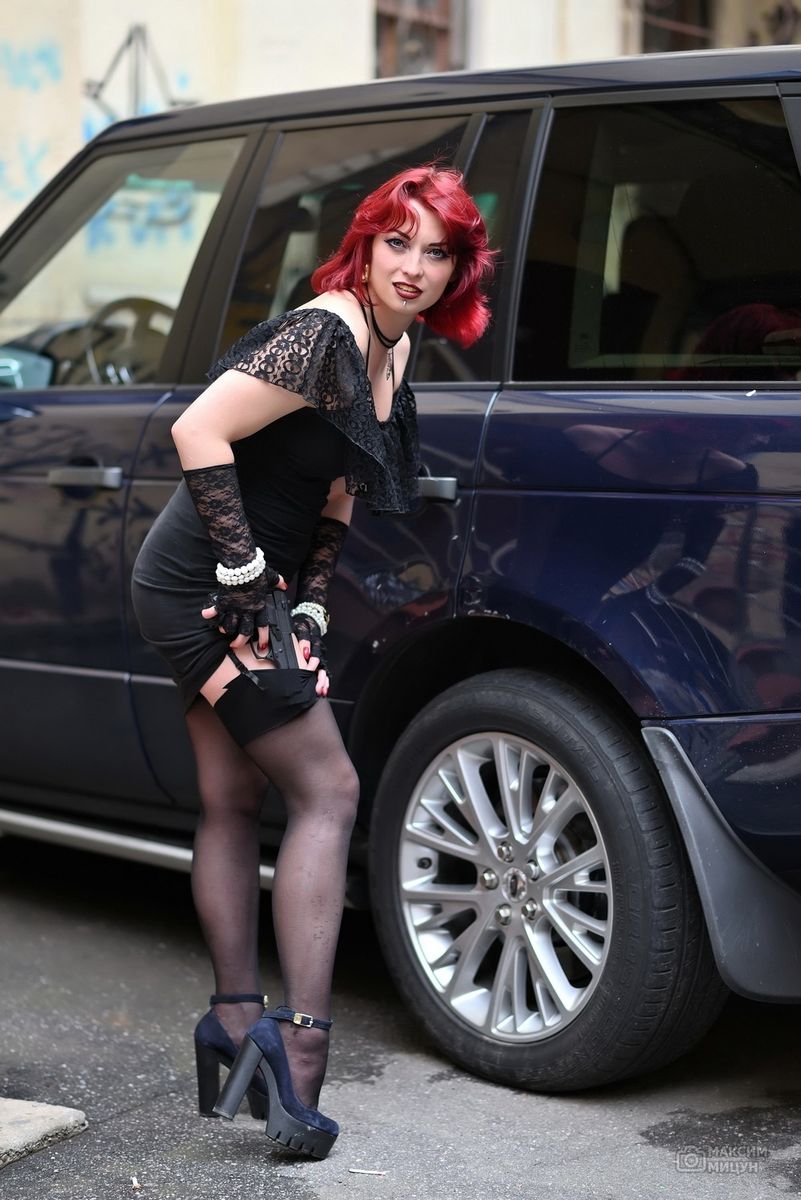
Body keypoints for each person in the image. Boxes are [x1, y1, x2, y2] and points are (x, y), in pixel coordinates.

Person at [130, 163, 493, 1159]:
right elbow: (197, 428)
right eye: (397, 242)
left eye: (436, 252)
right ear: (363, 245)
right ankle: (299, 1058)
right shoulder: (325, 330)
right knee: (329, 788)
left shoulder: (393, 346)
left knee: (234, 798)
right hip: (194, 588)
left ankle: (234, 1021)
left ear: (456, 270)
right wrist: (251, 587)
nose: (413, 266)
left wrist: (310, 613)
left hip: (248, 589)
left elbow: (335, 491)